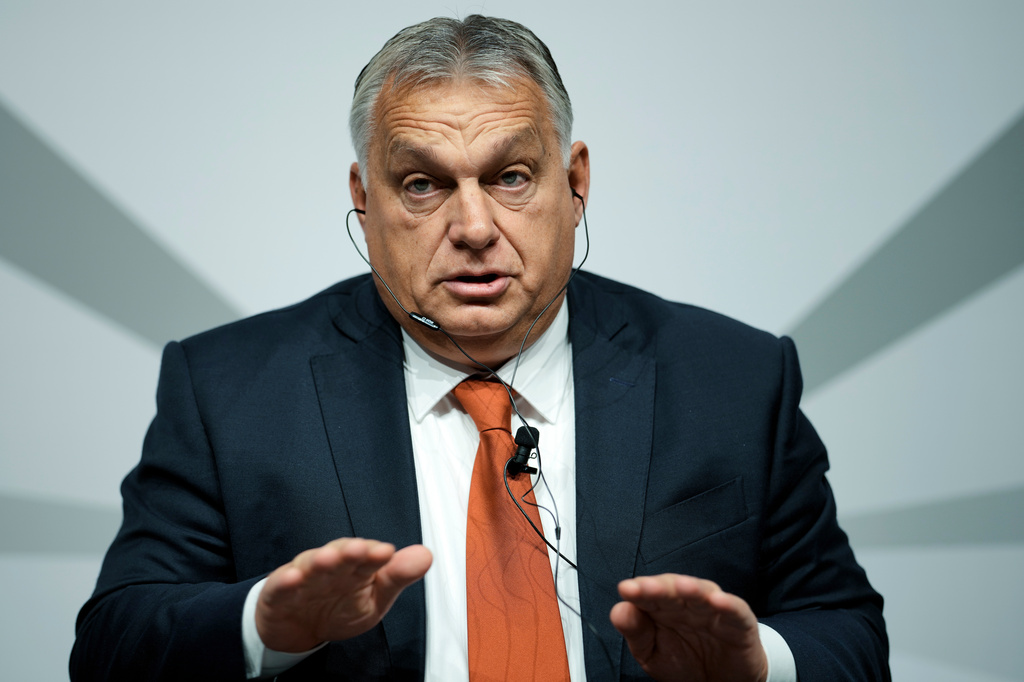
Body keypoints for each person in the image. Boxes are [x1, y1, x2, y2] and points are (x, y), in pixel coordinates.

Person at [70, 15, 888, 682]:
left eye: (511, 176)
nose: (472, 227)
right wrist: (263, 627)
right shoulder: (227, 391)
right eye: (422, 184)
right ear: (364, 199)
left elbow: (847, 635)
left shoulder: (736, 380)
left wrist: (761, 665)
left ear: (575, 183)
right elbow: (110, 646)